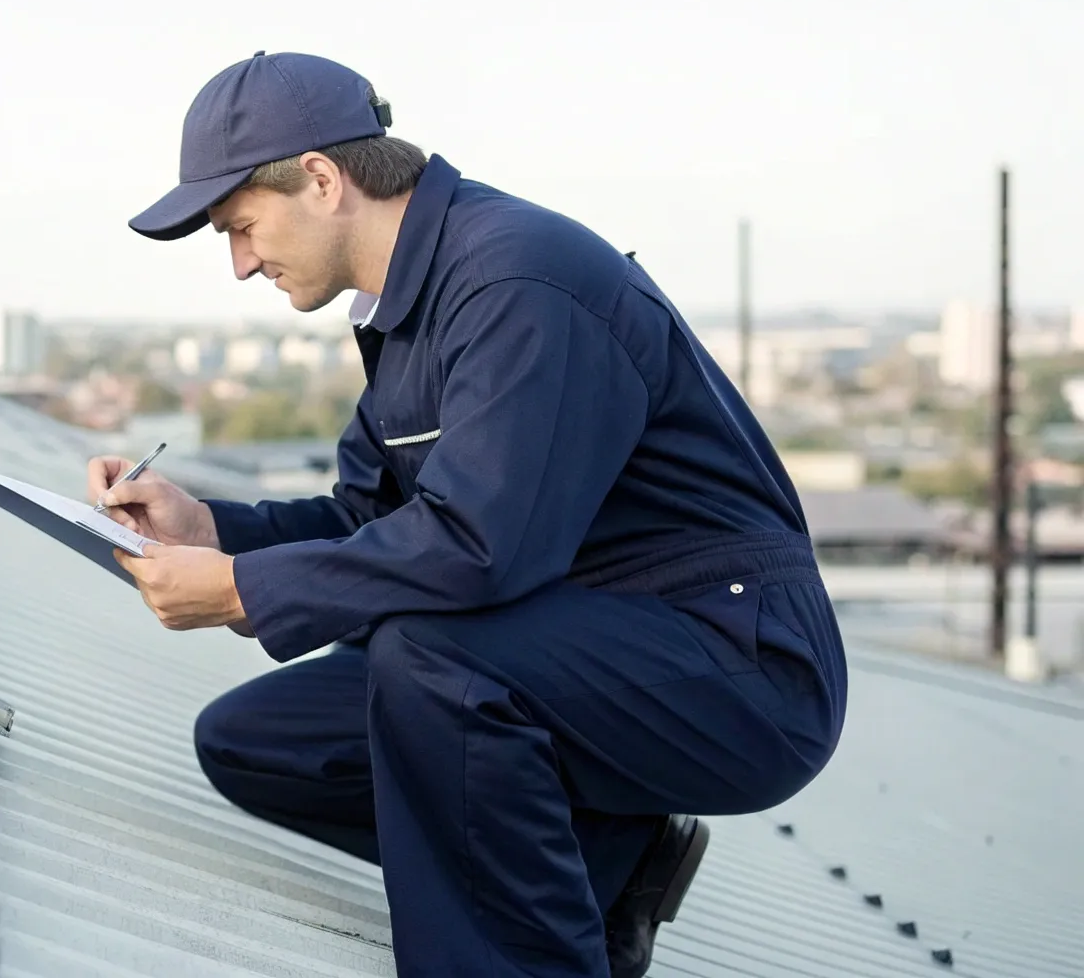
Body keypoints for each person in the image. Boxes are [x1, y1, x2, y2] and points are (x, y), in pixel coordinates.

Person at [87, 51, 848, 978]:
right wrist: (213, 532)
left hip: (736, 663)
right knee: (259, 741)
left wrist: (244, 589)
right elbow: (366, 519)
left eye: (241, 227)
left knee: (431, 659)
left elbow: (483, 549)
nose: (241, 265)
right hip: (583, 644)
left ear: (322, 181)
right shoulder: (410, 309)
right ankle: (610, 858)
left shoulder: (515, 281)